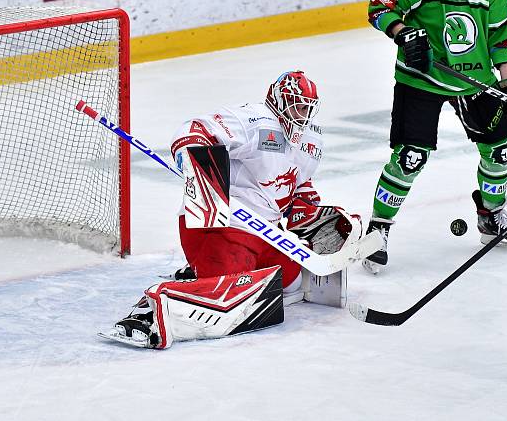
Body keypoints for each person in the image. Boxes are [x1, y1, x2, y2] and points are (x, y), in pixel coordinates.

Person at [99, 71, 362, 349]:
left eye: (306, 107)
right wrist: (195, 158)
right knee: (232, 301)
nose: (301, 113)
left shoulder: (312, 139)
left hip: (269, 233)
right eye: (295, 104)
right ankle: (147, 312)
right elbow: (195, 129)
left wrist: (314, 214)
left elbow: (300, 185)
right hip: (223, 227)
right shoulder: (254, 120)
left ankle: (197, 273)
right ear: (278, 98)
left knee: (293, 285)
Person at [363, 0, 507, 273]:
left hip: (476, 80)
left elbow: (504, 37)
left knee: (499, 149)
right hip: (421, 76)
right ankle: (378, 229)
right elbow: (378, 7)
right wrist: (403, 33)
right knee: (410, 156)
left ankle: (491, 215)